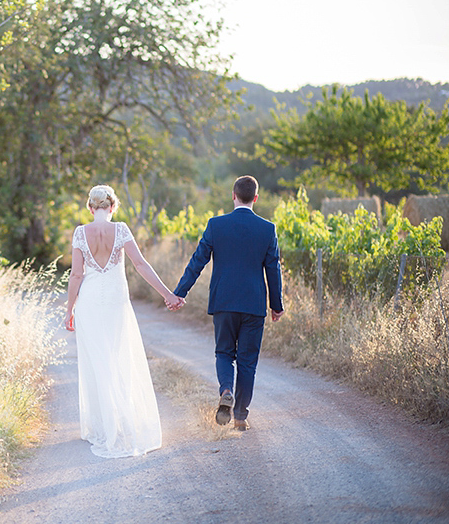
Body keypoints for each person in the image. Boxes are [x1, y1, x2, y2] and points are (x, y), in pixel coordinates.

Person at [64, 184, 184, 458]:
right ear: (113, 206)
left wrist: (69, 309)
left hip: (90, 303)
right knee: (119, 357)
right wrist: (168, 294)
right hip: (117, 302)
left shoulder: (81, 233)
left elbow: (76, 275)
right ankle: (120, 423)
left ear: (91, 207)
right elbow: (141, 264)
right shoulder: (121, 230)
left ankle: (105, 427)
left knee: (97, 362)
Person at [173, 175, 284, 431]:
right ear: (256, 198)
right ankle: (241, 415)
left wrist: (180, 292)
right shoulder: (268, 229)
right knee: (247, 360)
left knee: (224, 352)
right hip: (254, 305)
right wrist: (276, 305)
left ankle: (225, 389)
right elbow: (273, 270)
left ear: (233, 196)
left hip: (223, 301)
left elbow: (197, 262)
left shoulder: (216, 225)